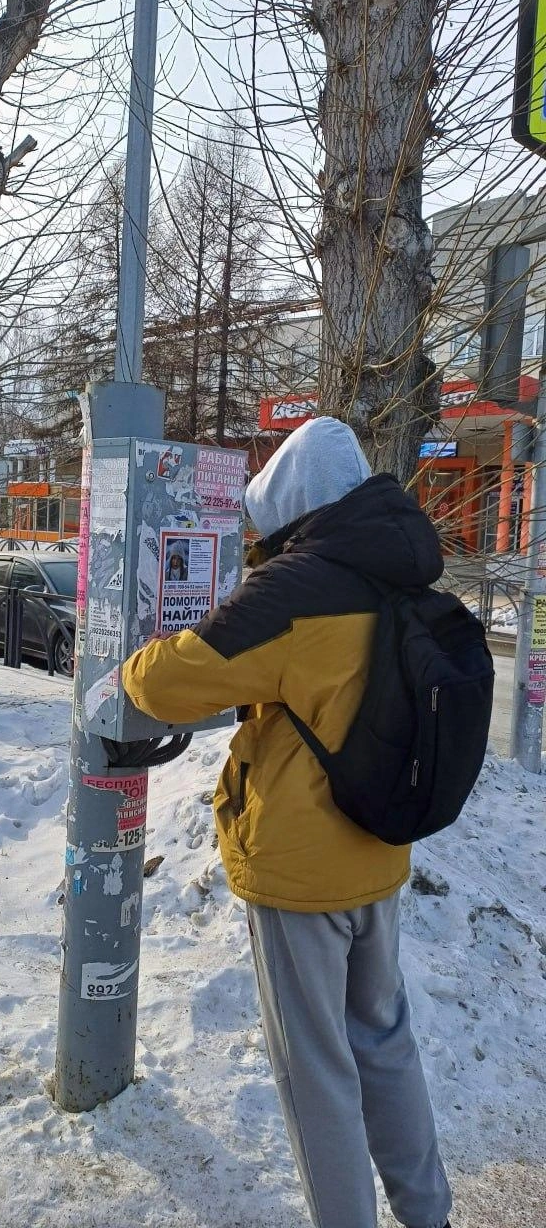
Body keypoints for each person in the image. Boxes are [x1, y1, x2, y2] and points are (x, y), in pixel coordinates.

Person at [122, 416, 453, 1228]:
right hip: (379, 851)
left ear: (295, 507)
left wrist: (127, 658)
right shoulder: (401, 566)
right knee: (384, 1042)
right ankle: (428, 1213)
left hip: (303, 874)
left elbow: (168, 683)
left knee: (317, 1076)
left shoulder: (298, 590)